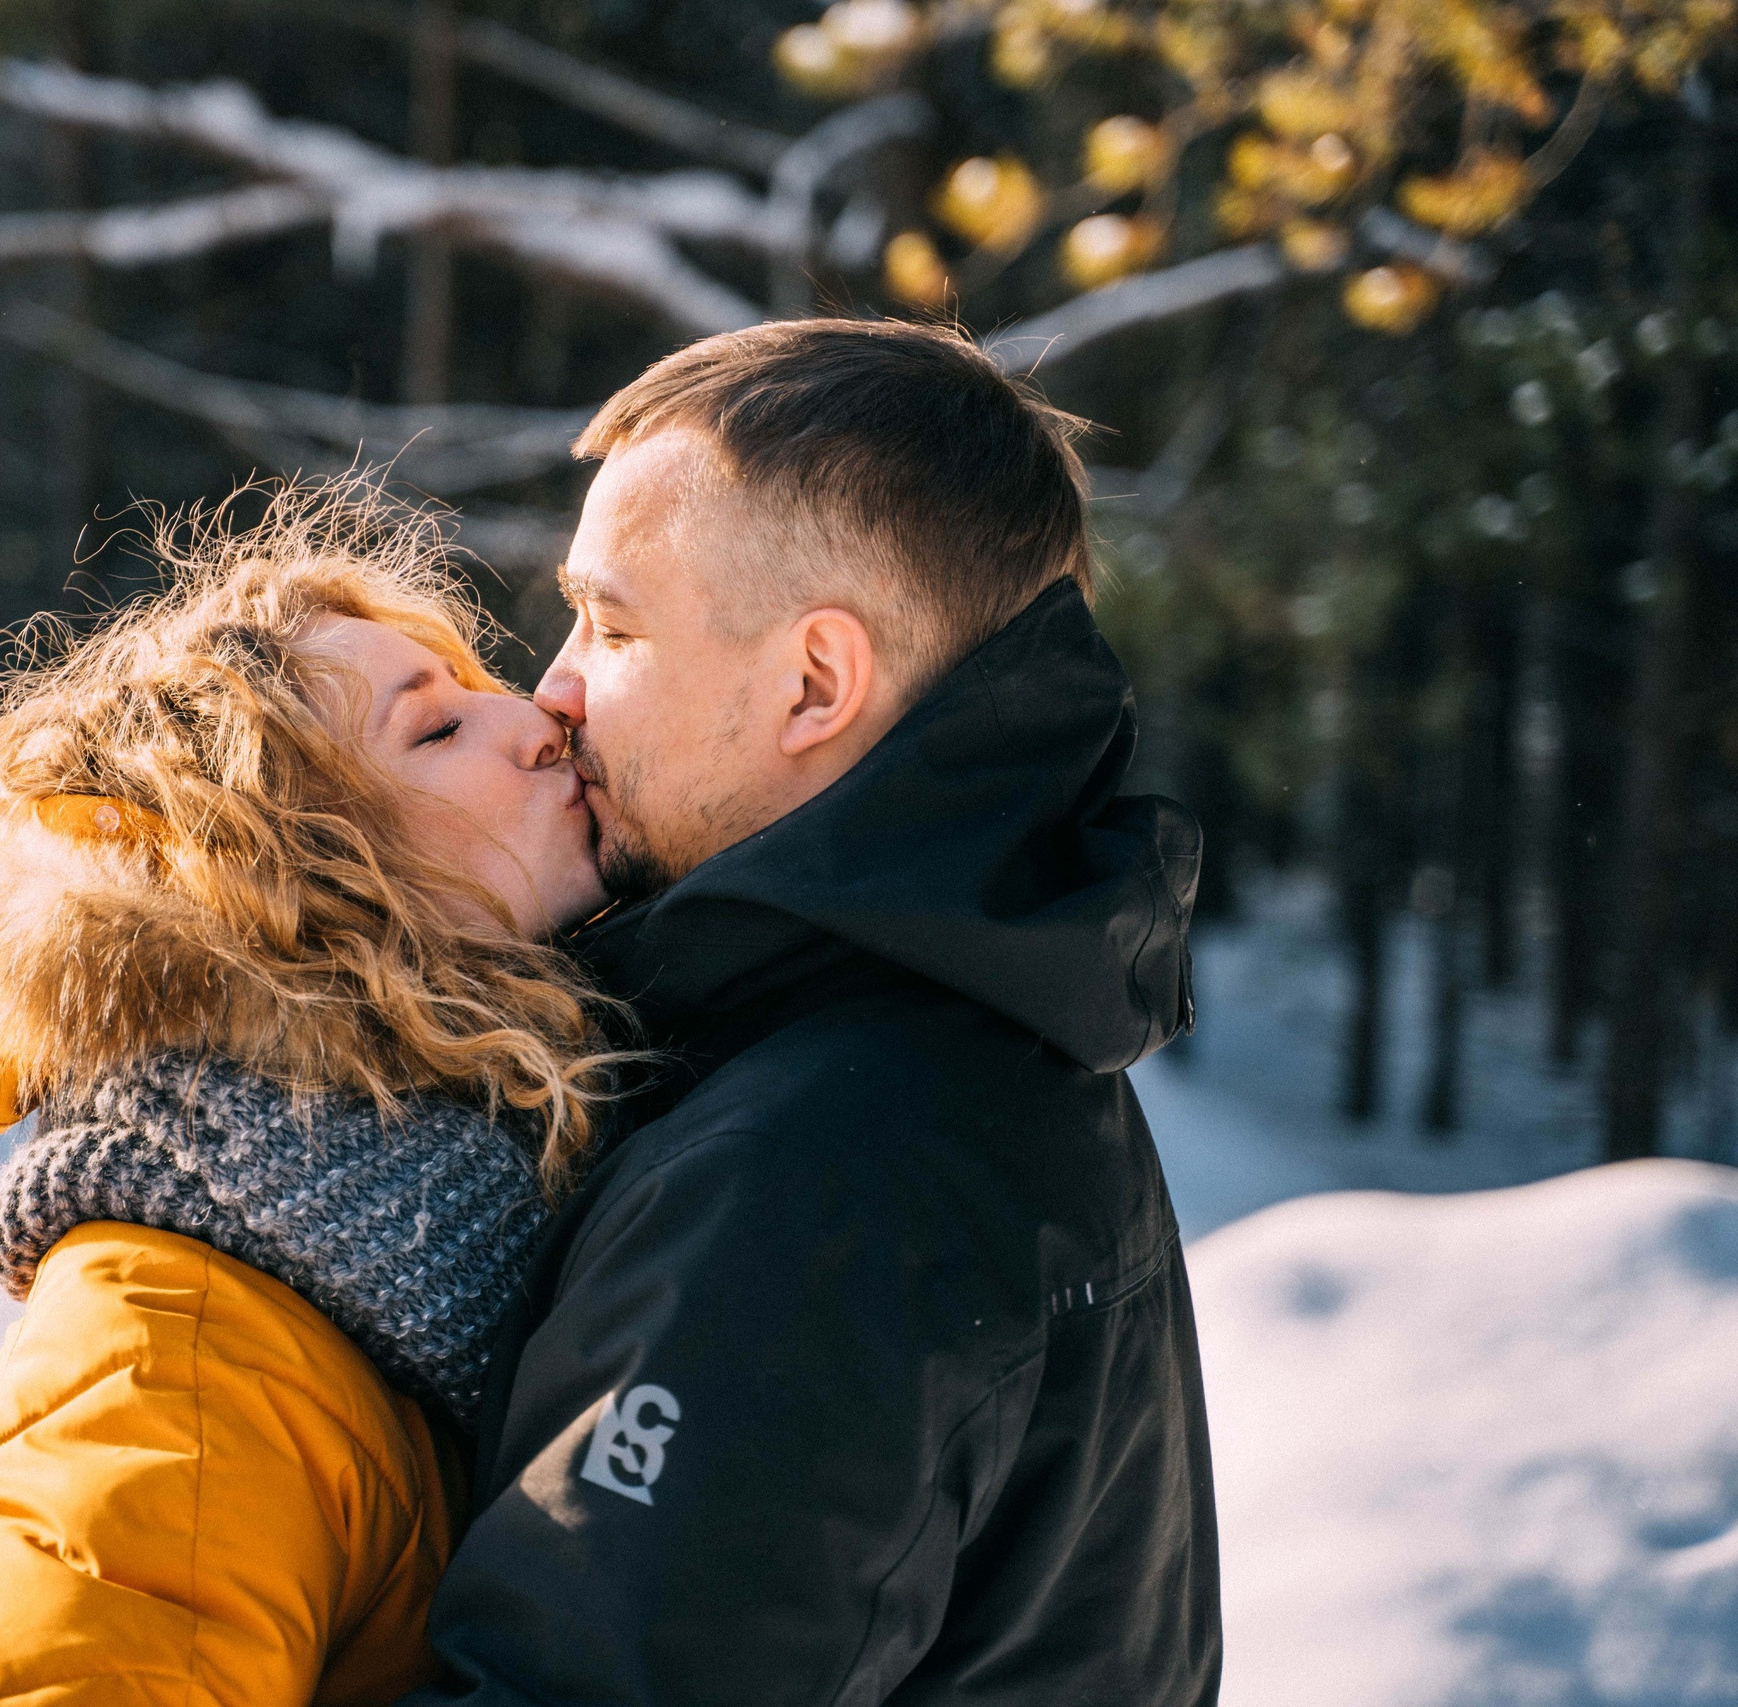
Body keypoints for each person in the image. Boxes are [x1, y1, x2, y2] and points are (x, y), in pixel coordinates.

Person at [403, 320, 1220, 1705]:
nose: (549, 685)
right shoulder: (970, 1037)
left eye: (613, 622)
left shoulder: (822, 1169)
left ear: (814, 684)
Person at [0, 485, 627, 1707]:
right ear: (298, 886)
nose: (535, 720)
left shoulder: (400, 1248)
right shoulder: (175, 1350)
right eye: (434, 732)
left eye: (482, 686)